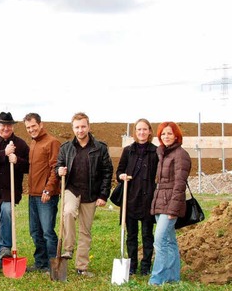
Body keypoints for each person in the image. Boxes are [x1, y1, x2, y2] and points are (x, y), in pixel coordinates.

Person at [56, 112, 113, 277]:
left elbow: (107, 172)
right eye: (77, 127)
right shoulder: (66, 148)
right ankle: (67, 249)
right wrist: (59, 170)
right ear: (72, 128)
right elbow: (58, 165)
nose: (80, 130)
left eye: (83, 126)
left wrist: (103, 195)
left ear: (88, 127)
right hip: (71, 189)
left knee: (85, 231)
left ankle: (82, 267)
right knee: (67, 213)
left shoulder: (100, 148)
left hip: (91, 193)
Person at [0, 112, 29, 269]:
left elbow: (28, 166)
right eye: (2, 125)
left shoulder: (21, 145)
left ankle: (5, 248)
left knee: (7, 212)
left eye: (9, 125)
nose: (5, 128)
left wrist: (16, 160)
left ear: (12, 127)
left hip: (10, 190)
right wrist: (4, 153)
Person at [148, 121, 191, 285]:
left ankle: (157, 279)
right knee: (169, 241)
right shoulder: (164, 153)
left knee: (159, 241)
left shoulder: (180, 155)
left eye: (169, 133)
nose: (166, 136)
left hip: (170, 204)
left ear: (176, 136)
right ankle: (173, 277)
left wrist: (174, 208)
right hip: (161, 202)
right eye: (163, 134)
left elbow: (179, 184)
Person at [115, 118, 158, 276]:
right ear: (135, 132)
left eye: (145, 129)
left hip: (147, 199)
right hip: (130, 198)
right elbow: (118, 171)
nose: (142, 132)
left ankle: (146, 265)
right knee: (131, 234)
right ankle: (132, 264)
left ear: (149, 131)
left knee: (147, 234)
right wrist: (122, 176)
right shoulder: (128, 151)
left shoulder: (155, 152)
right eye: (139, 130)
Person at [23, 113, 61, 272]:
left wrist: (49, 189)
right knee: (35, 231)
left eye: (33, 126)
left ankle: (54, 265)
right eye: (28, 127)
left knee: (47, 231)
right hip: (33, 194)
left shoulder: (52, 142)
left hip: (46, 195)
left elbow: (55, 168)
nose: (31, 129)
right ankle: (40, 263)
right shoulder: (33, 143)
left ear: (41, 124)